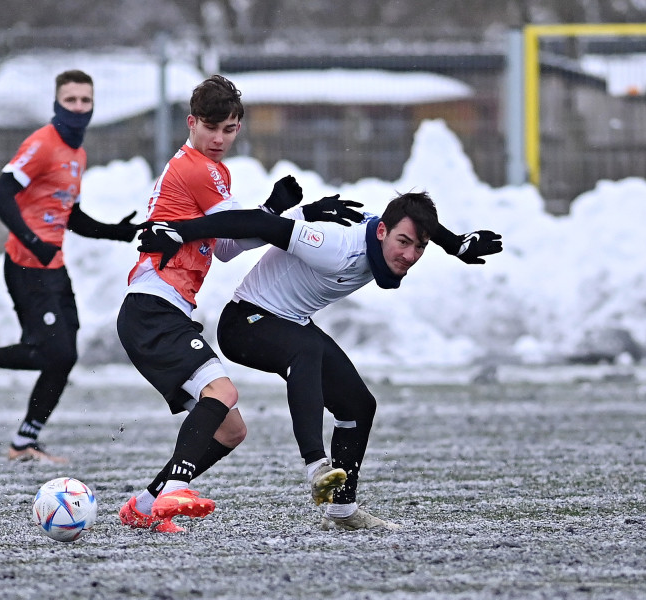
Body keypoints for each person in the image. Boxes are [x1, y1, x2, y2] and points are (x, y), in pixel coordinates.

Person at [138, 190, 502, 530]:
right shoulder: (335, 246)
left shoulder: (388, 233)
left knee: (358, 405)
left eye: (419, 247)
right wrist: (180, 232)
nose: (409, 255)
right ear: (381, 232)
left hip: (291, 322)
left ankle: (342, 509)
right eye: (403, 243)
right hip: (244, 322)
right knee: (306, 350)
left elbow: (417, 225)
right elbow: (258, 223)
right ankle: (316, 467)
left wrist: (455, 244)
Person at [115, 75, 305, 534]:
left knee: (230, 429)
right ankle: (174, 490)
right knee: (222, 393)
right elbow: (238, 227)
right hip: (153, 306)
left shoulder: (211, 171)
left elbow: (226, 247)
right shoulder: (197, 169)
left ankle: (144, 506)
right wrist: (284, 215)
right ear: (191, 123)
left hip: (160, 312)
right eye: (211, 127)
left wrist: (269, 213)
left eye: (229, 129)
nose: (219, 138)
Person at [0, 69, 141, 463]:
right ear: (57, 103)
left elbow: (70, 215)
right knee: (52, 353)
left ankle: (25, 441)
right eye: (70, 100)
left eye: (85, 101)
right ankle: (24, 441)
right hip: (26, 266)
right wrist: (31, 241)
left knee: (64, 356)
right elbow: (2, 190)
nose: (78, 107)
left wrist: (115, 231)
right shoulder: (42, 143)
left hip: (54, 269)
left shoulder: (77, 153)